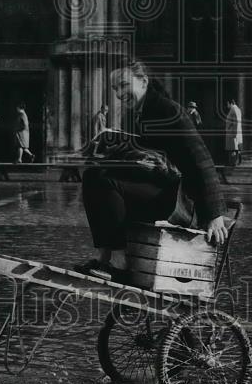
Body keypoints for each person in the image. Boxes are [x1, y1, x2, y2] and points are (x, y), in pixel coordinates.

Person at [78, 60, 228, 281]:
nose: (119, 93)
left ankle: (119, 263)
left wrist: (215, 213)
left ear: (143, 82)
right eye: (115, 88)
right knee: (93, 174)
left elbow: (200, 159)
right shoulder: (135, 114)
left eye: (124, 85)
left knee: (105, 183)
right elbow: (144, 156)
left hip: (174, 198)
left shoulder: (168, 110)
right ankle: (105, 257)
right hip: (152, 189)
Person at [225, 98, 242, 166]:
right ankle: (234, 162)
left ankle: (233, 163)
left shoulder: (233, 110)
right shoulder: (238, 109)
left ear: (230, 103)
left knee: (233, 149)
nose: (227, 106)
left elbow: (235, 123)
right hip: (235, 132)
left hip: (232, 133)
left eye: (227, 104)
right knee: (234, 149)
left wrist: (234, 134)